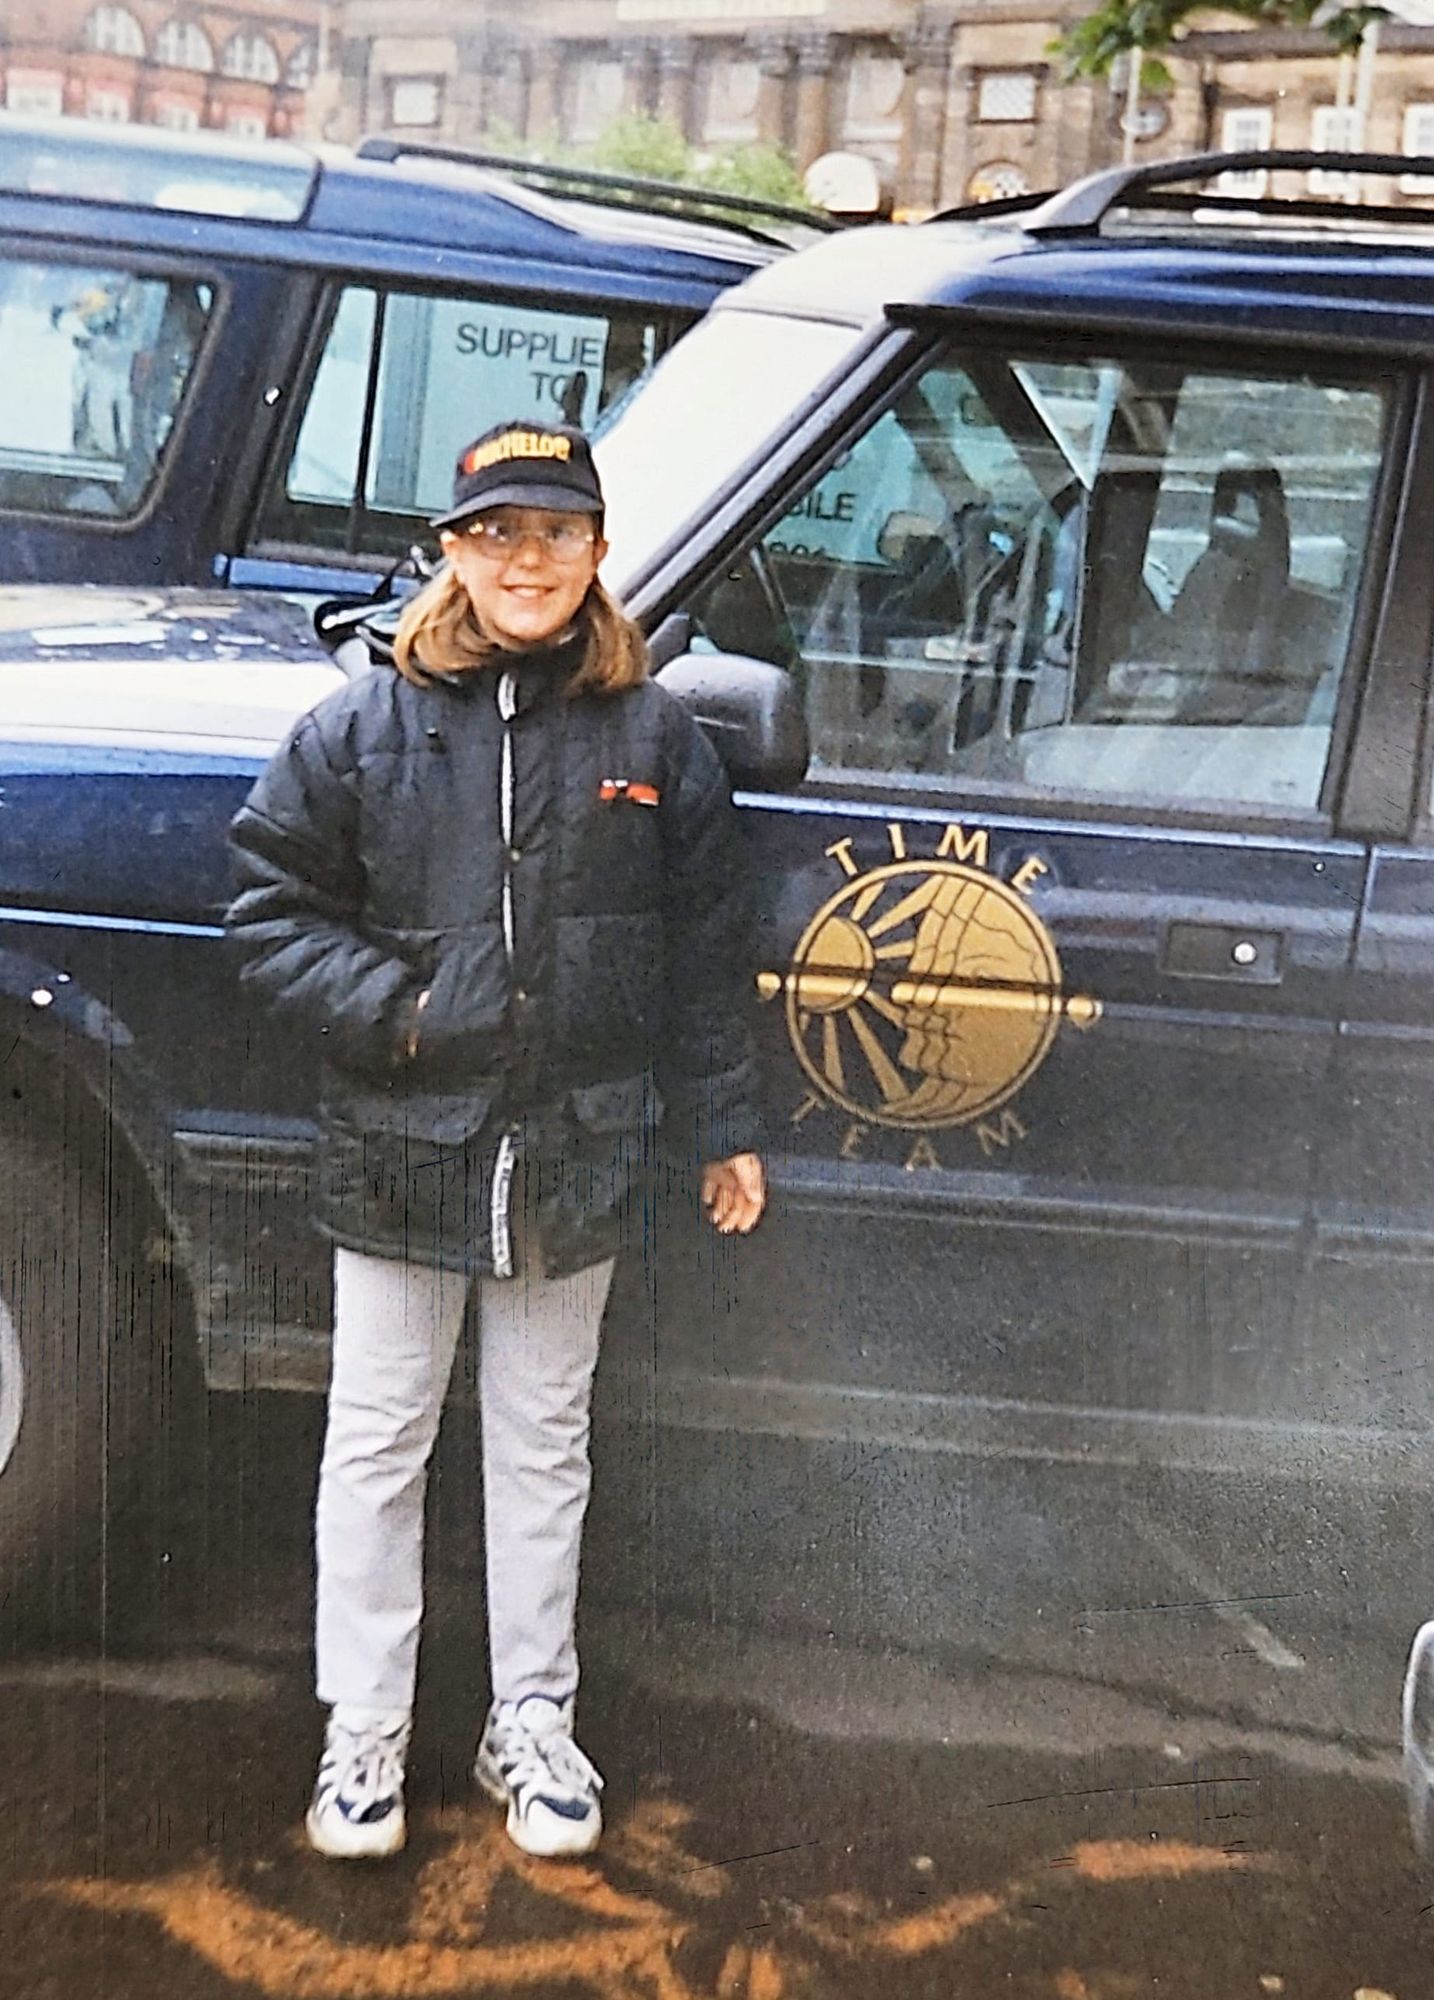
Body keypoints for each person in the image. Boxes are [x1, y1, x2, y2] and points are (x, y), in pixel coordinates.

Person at [226, 417, 767, 1864]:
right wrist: (404, 1010)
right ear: (453, 553)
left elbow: (706, 948)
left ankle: (530, 1718)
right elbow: (267, 911)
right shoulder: (361, 727)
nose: (529, 561)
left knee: (543, 1443)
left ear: (598, 554)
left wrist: (723, 1124)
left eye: (558, 533)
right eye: (499, 533)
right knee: (378, 1442)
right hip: (402, 1143)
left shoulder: (654, 736)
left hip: (581, 1148)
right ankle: (364, 1731)